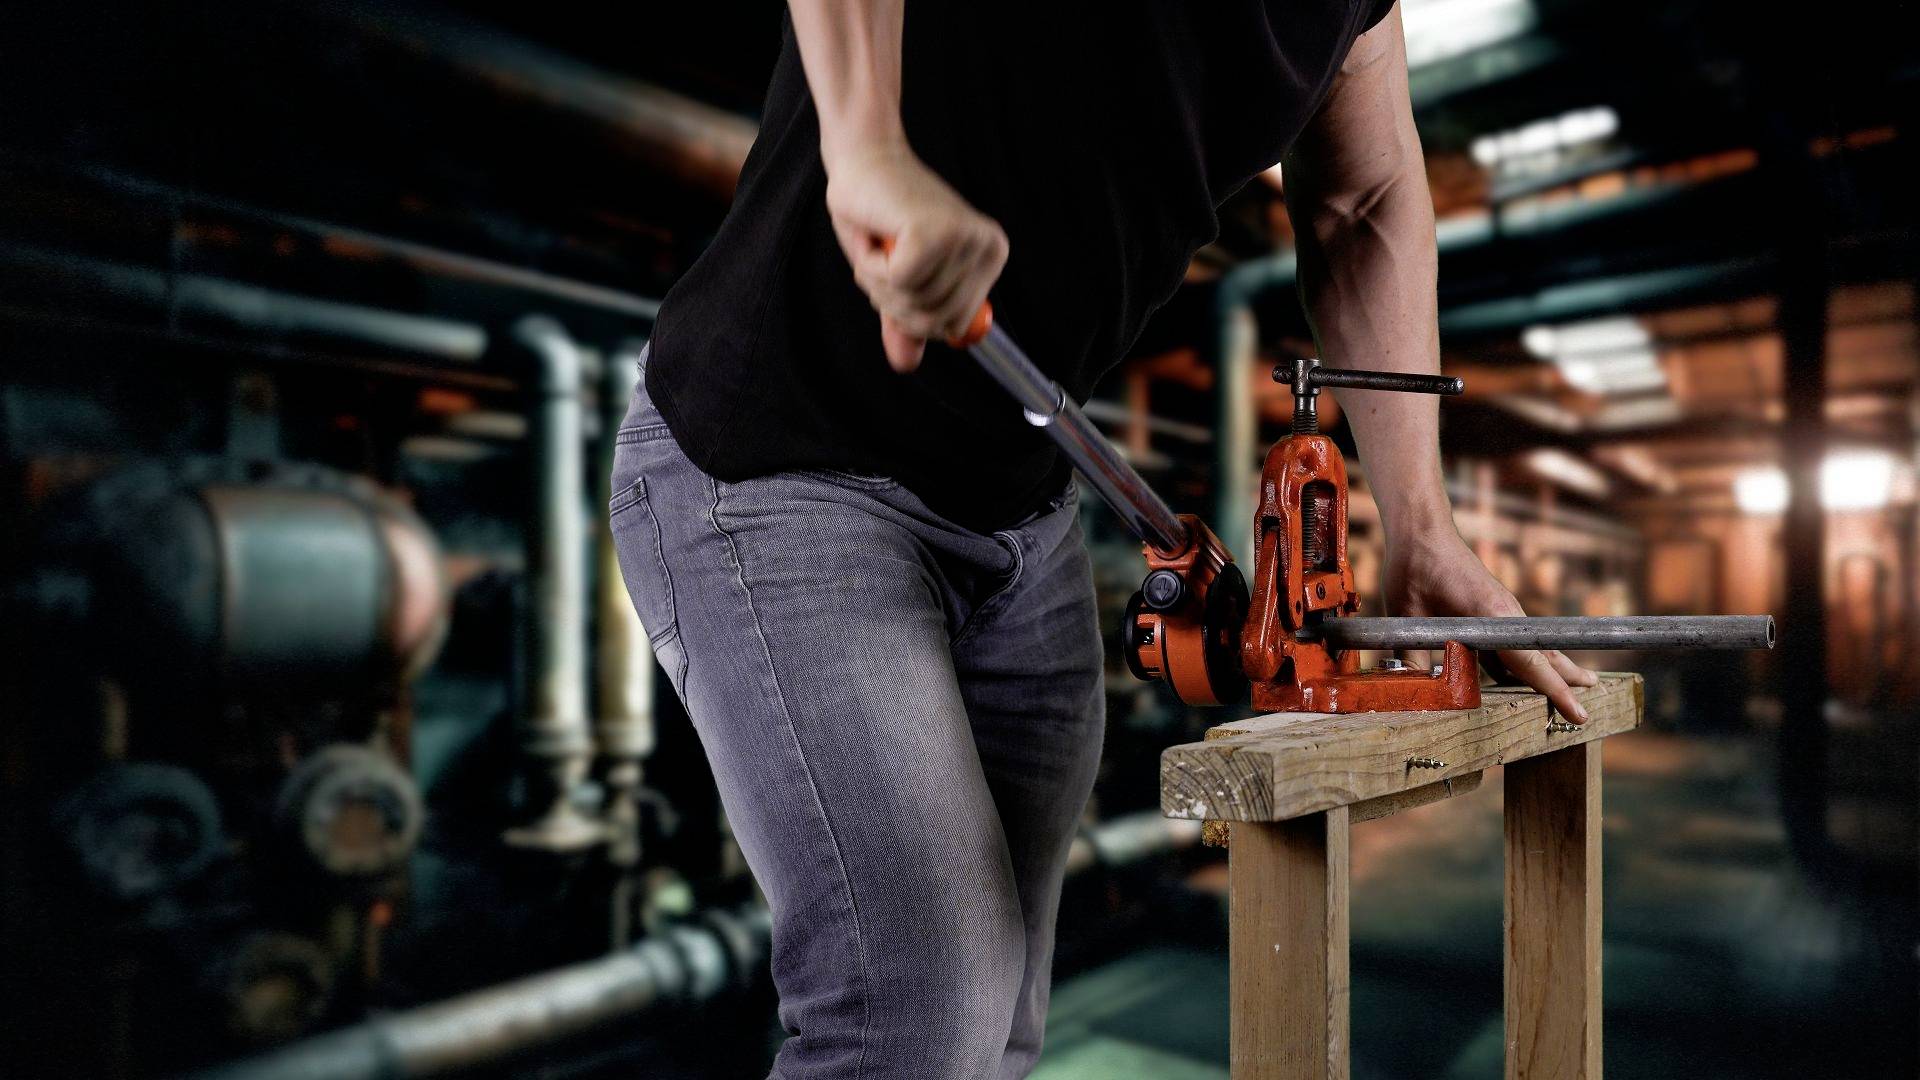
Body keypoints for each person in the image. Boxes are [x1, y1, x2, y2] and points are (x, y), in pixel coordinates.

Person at [610, 3, 1599, 1076]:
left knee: (1000, 1034)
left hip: (1025, 518)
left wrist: (1422, 525)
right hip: (777, 459)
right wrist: (867, 147)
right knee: (916, 1015)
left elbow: (1363, 200)